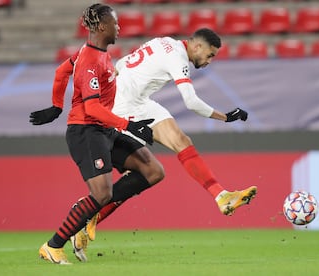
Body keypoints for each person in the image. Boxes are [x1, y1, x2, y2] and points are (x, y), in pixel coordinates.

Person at [53, 28, 257, 261]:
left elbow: (122, 63)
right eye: (210, 55)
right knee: (146, 170)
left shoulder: (163, 41)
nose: (209, 61)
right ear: (197, 46)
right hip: (123, 107)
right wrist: (226, 117)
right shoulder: (178, 58)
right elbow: (190, 102)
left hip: (138, 101)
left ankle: (221, 195)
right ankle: (88, 215)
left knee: (181, 142)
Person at [30, 3, 164, 264]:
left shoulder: (92, 53)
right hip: (86, 132)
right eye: (115, 23)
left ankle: (89, 212)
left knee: (153, 170)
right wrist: (129, 125)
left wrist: (57, 106)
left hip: (104, 129)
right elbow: (91, 107)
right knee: (102, 195)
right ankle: (52, 246)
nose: (119, 27)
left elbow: (61, 72)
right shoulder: (91, 61)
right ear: (102, 26)